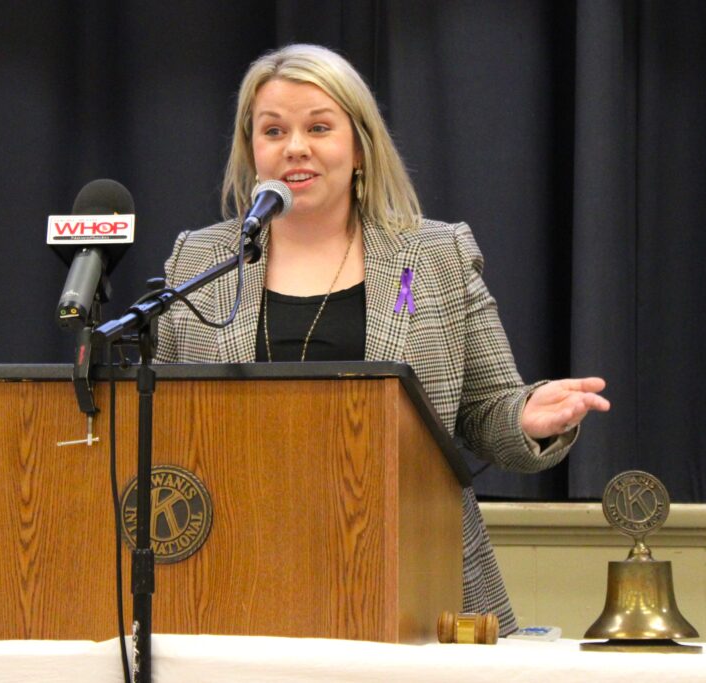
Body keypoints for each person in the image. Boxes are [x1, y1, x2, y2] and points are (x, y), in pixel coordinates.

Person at [154, 44, 610, 635]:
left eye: (319, 127)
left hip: (411, 568)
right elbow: (162, 423)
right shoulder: (200, 260)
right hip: (237, 571)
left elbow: (484, 411)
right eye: (274, 131)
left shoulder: (436, 255)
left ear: (361, 146)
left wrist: (526, 419)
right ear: (252, 150)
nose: (296, 147)